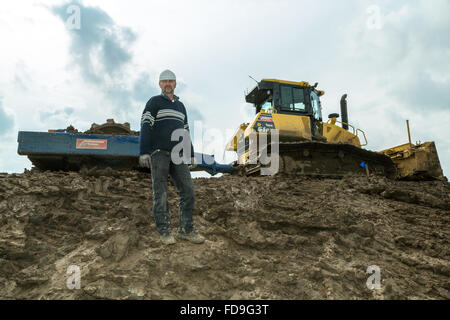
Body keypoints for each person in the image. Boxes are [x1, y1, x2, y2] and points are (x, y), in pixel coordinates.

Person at [139, 69, 205, 245]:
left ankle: (186, 230)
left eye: (171, 81)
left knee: (188, 190)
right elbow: (145, 125)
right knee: (160, 192)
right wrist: (144, 151)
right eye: (164, 81)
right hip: (159, 153)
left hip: (178, 155)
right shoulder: (154, 102)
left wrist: (190, 153)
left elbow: (186, 132)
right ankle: (164, 232)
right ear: (160, 84)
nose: (167, 84)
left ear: (175, 84)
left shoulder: (181, 106)